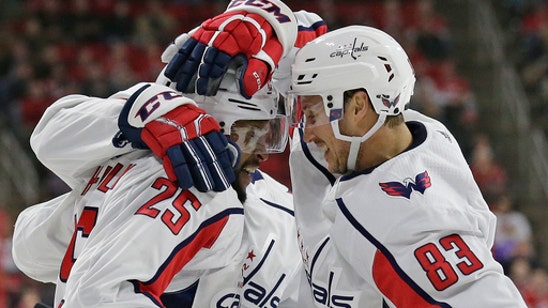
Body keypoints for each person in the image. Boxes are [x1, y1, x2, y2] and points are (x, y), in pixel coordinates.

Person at [157, 9, 528, 306]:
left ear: (359, 106)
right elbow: (303, 48)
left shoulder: (417, 224)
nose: (305, 131)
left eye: (313, 114)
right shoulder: (359, 137)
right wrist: (276, 22)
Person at [13, 2, 327, 306]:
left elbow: (30, 248)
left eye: (270, 135)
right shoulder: (203, 196)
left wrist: (284, 25)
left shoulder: (118, 171)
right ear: (213, 126)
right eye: (254, 133)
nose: (263, 153)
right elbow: (99, 297)